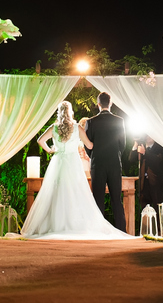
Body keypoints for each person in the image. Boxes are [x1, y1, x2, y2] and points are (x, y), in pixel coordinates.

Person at [21, 101, 136, 240]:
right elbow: (90, 145)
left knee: (57, 192)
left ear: (59, 112)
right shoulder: (77, 128)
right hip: (73, 163)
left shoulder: (54, 128)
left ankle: (56, 224)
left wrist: (51, 149)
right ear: (71, 112)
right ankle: (75, 224)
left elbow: (40, 140)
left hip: (58, 162)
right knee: (75, 192)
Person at [84, 92, 128, 231]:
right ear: (110, 104)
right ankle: (121, 231)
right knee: (116, 199)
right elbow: (123, 144)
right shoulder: (119, 121)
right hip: (115, 163)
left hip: (98, 164)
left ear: (98, 104)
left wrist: (95, 156)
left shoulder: (91, 122)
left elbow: (88, 145)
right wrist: (116, 155)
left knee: (98, 200)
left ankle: (98, 231)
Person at [130, 135, 163, 210]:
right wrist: (136, 144)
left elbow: (157, 160)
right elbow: (131, 159)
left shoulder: (160, 147)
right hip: (144, 184)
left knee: (158, 208)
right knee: (144, 208)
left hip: (156, 184)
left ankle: (158, 222)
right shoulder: (141, 147)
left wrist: (145, 152)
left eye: (150, 134)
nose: (148, 136)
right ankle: (145, 221)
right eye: (146, 135)